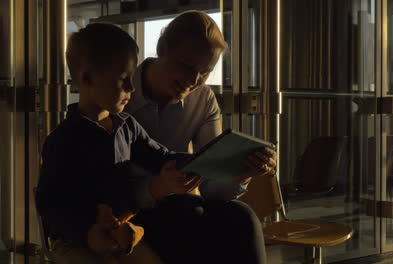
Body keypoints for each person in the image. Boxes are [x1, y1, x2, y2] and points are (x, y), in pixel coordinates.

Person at [35, 23, 200, 264]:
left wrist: (201, 160)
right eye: (124, 80)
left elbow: (161, 157)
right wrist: (85, 232)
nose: (132, 89)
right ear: (87, 78)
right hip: (76, 241)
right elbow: (50, 203)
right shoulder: (63, 139)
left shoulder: (127, 126)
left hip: (120, 232)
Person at [125, 10, 276, 264]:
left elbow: (211, 184)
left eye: (205, 72)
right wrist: (157, 188)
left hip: (183, 205)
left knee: (242, 216)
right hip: (130, 205)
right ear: (162, 48)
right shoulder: (121, 90)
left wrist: (243, 172)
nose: (194, 80)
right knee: (188, 215)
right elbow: (103, 181)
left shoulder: (203, 99)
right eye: (186, 66)